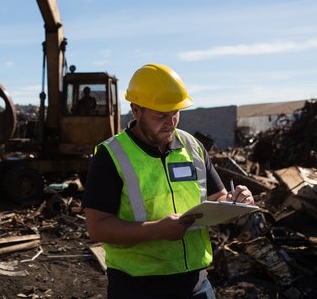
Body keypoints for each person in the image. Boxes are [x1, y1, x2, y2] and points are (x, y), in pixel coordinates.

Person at [83, 63, 254, 299]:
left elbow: (217, 198)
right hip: (137, 287)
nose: (171, 122)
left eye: (175, 113)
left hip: (196, 282)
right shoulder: (111, 155)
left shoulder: (192, 147)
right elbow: (97, 227)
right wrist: (156, 231)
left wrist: (235, 201)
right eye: (161, 115)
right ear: (136, 110)